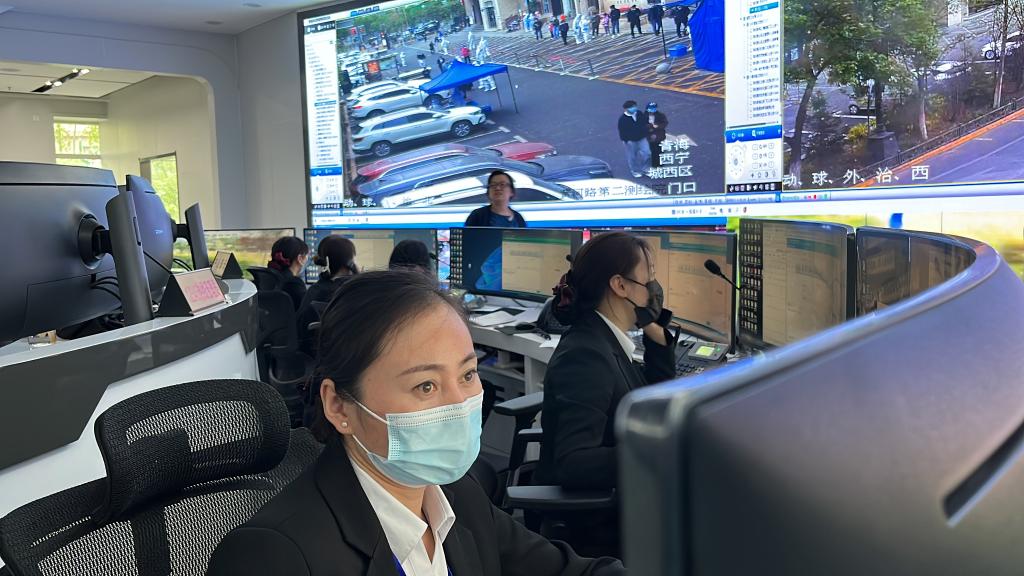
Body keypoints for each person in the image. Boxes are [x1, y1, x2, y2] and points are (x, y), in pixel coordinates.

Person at [208, 270, 627, 576]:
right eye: (426, 386)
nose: (460, 403)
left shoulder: (457, 496)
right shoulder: (274, 556)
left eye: (467, 375)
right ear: (339, 407)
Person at [535, 231, 677, 556]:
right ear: (620, 285)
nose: (654, 286)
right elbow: (573, 462)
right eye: (649, 276)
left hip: (625, 504)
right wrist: (654, 452)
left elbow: (650, 399)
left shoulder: (603, 337)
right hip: (598, 528)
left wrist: (654, 330)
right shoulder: (586, 355)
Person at [296, 235, 358, 358]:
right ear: (350, 262)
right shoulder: (354, 291)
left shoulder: (315, 290)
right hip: (349, 358)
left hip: (314, 357)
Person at [266, 236, 310, 311]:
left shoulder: (268, 279)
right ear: (300, 259)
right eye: (307, 256)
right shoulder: (295, 284)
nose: (307, 260)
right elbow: (307, 312)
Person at [618, 100, 651, 178]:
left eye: (635, 106)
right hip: (631, 141)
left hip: (642, 138)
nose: (634, 108)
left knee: (647, 153)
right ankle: (635, 171)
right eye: (632, 107)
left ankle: (646, 169)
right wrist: (626, 141)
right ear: (626, 109)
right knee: (632, 157)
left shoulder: (639, 113)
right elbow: (622, 132)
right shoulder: (623, 119)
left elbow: (645, 122)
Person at [645, 101, 668, 167]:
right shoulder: (644, 116)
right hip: (649, 137)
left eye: (654, 109)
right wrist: (650, 126)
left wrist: (658, 126)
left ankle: (660, 164)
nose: (652, 110)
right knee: (652, 151)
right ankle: (654, 164)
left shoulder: (661, 115)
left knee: (659, 150)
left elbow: (664, 123)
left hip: (659, 136)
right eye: (650, 109)